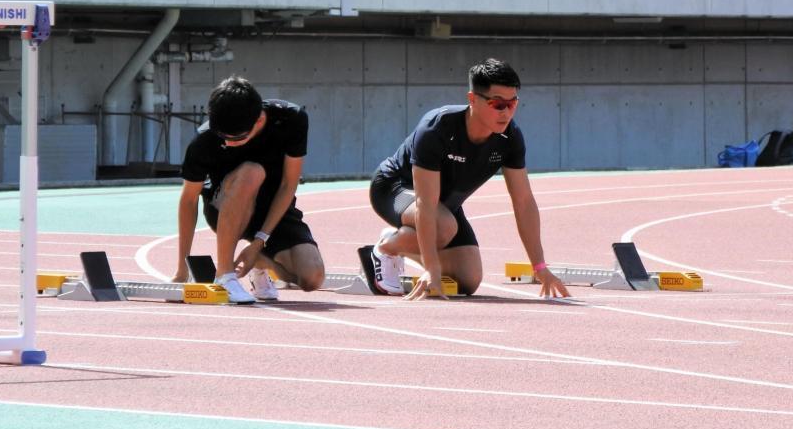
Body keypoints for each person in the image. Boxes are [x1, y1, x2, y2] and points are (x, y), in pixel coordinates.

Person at [361, 57, 570, 300]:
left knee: (468, 278)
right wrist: (431, 268)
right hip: (394, 188)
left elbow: (524, 202)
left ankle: (404, 240)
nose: (506, 112)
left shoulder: (510, 138)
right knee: (444, 227)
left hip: (443, 207)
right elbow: (426, 204)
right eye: (497, 104)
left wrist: (540, 268)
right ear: (472, 99)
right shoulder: (437, 127)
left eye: (512, 104)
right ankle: (387, 248)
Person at [176, 75, 325, 303]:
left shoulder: (290, 120)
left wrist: (259, 243)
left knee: (312, 278)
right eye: (223, 138)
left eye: (237, 139)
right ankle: (224, 275)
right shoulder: (204, 140)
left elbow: (288, 184)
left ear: (257, 121)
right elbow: (188, 201)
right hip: (225, 208)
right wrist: (181, 270)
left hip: (273, 209)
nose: (229, 143)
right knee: (252, 172)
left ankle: (260, 261)